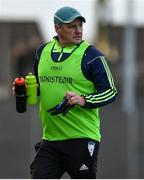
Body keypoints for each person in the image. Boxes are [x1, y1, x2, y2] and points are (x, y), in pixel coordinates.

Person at [29, 6, 117, 179]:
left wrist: (83, 99)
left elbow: (111, 92)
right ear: (57, 28)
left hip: (82, 139)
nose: (78, 31)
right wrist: (24, 89)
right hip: (50, 140)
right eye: (72, 27)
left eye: (80, 26)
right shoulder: (42, 52)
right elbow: (40, 87)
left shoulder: (92, 56)